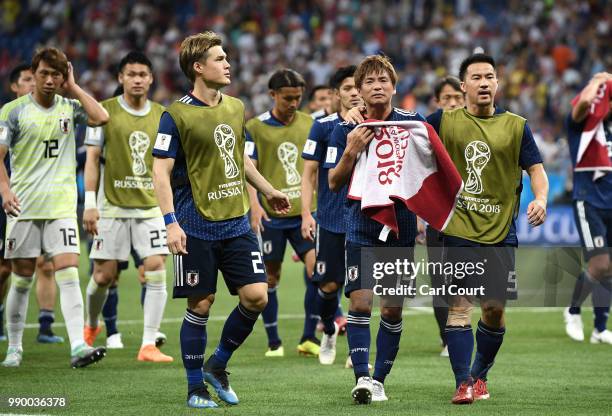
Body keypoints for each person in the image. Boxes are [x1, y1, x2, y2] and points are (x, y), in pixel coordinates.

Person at [152, 31, 290, 409]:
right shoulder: (175, 114)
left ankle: (218, 365)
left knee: (257, 296)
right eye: (218, 58)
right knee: (201, 303)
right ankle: (195, 387)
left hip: (236, 222)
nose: (228, 63)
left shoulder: (234, 107)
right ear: (198, 67)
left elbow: (239, 159)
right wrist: (170, 222)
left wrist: (268, 189)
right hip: (194, 224)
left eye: (226, 56)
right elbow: (159, 172)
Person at [427, 53, 548, 404]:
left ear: (497, 83)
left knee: (493, 310)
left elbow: (537, 170)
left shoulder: (517, 126)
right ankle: (463, 382)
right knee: (460, 305)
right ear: (462, 86)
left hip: (500, 230)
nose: (483, 82)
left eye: (489, 76)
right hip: (459, 227)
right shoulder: (442, 121)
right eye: (476, 77)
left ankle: (479, 374)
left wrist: (540, 199)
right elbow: (403, 132)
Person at [0, 47, 109, 368]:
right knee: (21, 278)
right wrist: (5, 190)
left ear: (63, 77)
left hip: (61, 206)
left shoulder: (70, 107)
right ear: (33, 75)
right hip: (24, 206)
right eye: (44, 73)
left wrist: (73, 86)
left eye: (56, 75)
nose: (49, 80)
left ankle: (78, 346)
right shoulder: (13, 111)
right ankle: (15, 348)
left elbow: (101, 117)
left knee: (69, 270)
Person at [327, 55, 425, 404]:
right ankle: (363, 377)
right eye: (369, 82)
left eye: (383, 80)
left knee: (392, 309)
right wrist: (351, 151)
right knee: (361, 302)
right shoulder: (345, 130)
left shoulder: (414, 124)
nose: (377, 86)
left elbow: (428, 173)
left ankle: (380, 379)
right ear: (360, 90)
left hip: (401, 226)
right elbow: (334, 182)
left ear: (394, 87)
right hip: (360, 225)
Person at [82, 51, 172, 362]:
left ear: (151, 79)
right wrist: (90, 204)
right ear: (120, 78)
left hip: (149, 208)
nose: (137, 79)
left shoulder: (163, 115)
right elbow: (92, 160)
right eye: (131, 74)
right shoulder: (102, 112)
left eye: (142, 74)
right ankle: (91, 326)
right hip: (112, 207)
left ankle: (148, 344)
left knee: (156, 269)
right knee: (103, 276)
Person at [246, 69, 320, 358]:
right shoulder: (255, 126)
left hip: (305, 212)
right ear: (272, 95)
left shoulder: (310, 124)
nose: (293, 103)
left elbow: (313, 173)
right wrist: (254, 206)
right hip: (271, 215)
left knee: (317, 271)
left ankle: (308, 337)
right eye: (287, 98)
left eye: (298, 98)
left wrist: (308, 211)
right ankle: (274, 341)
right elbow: (249, 168)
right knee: (270, 277)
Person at [301, 65, 361, 365]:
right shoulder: (322, 127)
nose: (354, 93)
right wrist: (305, 214)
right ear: (336, 94)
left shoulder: (374, 124)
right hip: (329, 218)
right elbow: (309, 173)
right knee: (328, 285)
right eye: (348, 88)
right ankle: (327, 332)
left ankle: (356, 350)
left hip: (363, 219)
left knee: (359, 288)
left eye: (357, 88)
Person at [0, 64, 62, 345]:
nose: (33, 84)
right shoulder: (8, 115)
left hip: (40, 200)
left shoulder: (48, 114)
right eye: (27, 80)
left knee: (46, 265)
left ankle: (45, 325)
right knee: (5, 268)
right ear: (15, 86)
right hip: (7, 200)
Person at [563, 72, 612, 344]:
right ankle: (572, 311)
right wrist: (597, 81)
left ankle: (600, 329)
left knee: (610, 268)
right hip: (589, 199)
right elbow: (582, 104)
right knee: (599, 263)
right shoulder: (581, 126)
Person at [424, 75, 465, 358]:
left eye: (457, 98)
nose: (452, 102)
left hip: (470, 215)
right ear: (437, 101)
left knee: (464, 276)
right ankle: (447, 338)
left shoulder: (477, 125)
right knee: (440, 278)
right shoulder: (429, 126)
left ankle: (462, 329)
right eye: (446, 98)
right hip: (437, 214)